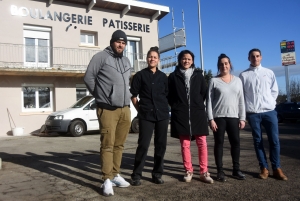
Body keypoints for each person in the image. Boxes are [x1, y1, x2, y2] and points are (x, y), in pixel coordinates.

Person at [84, 30, 132, 196]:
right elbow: (88, 77)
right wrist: (101, 96)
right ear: (112, 42)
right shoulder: (101, 57)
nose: (121, 45)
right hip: (108, 108)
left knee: (119, 145)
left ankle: (115, 175)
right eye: (118, 41)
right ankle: (106, 179)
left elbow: (125, 83)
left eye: (124, 42)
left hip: (125, 109)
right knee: (108, 145)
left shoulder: (126, 60)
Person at [239, 48, 288, 181]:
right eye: (252, 56)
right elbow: (242, 96)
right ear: (248, 58)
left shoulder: (269, 72)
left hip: (269, 112)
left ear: (261, 57)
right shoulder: (243, 75)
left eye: (257, 56)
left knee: (274, 140)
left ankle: (276, 168)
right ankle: (264, 168)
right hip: (253, 113)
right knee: (258, 141)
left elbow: (274, 90)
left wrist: (270, 102)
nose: (255, 58)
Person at [168, 50, 213, 184]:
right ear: (180, 60)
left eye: (189, 59)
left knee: (202, 143)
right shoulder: (173, 76)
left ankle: (204, 172)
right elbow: (169, 95)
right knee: (185, 144)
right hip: (181, 114)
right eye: (184, 59)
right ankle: (189, 170)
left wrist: (197, 104)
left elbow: (203, 93)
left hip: (197, 113)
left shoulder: (198, 75)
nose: (186, 61)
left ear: (192, 61)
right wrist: (177, 106)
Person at [130, 47, 169, 186]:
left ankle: (157, 174)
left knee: (161, 146)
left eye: (154, 57)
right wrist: (140, 110)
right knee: (143, 145)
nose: (152, 59)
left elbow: (167, 95)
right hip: (146, 115)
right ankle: (136, 175)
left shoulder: (163, 77)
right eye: (150, 57)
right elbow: (133, 95)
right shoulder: (140, 75)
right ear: (147, 59)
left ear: (158, 60)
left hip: (162, 115)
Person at [206, 53, 246, 182]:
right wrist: (211, 119)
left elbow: (241, 100)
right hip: (219, 118)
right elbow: (209, 101)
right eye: (221, 64)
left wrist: (242, 118)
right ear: (218, 66)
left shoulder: (238, 80)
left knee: (235, 143)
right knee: (219, 144)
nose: (224, 66)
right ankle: (220, 171)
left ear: (230, 65)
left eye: (226, 63)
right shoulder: (213, 80)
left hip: (234, 117)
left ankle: (236, 170)